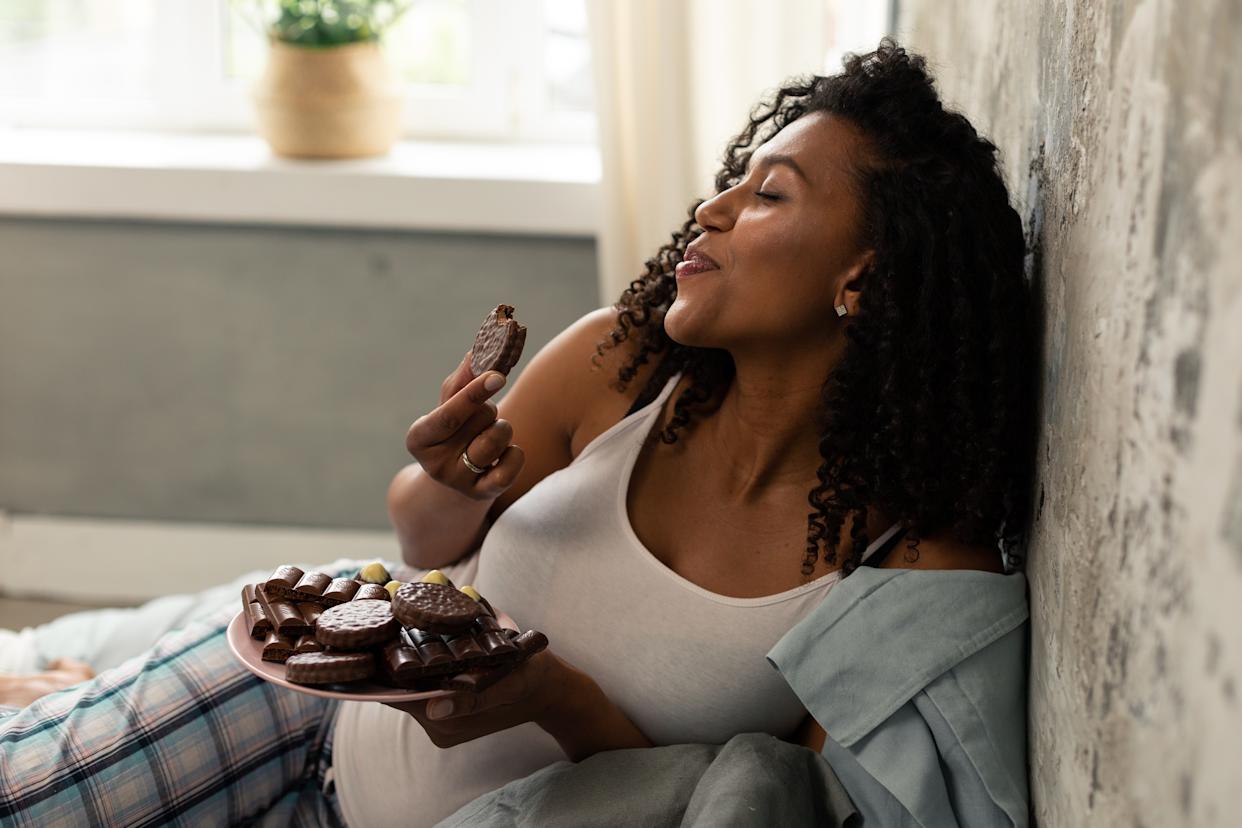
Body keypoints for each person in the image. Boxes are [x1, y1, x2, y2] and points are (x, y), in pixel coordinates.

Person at [0, 40, 1035, 827]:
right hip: (294, 716)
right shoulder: (623, 365)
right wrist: (449, 476)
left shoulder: (898, 574)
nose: (712, 209)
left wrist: (555, 699)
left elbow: (754, 804)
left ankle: (66, 692)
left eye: (767, 194)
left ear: (865, 275)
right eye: (732, 180)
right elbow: (420, 542)